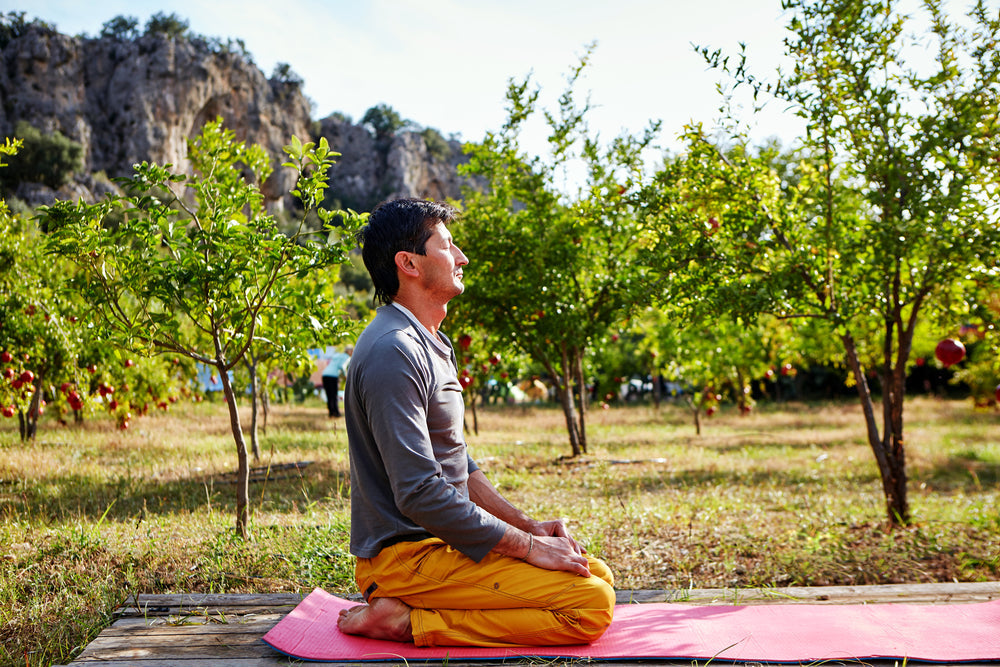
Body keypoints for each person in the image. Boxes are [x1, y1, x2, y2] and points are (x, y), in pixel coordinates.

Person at [337, 198, 615, 648]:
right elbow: (419, 493)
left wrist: (530, 527)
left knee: (594, 571)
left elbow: (458, 465)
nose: (462, 257)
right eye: (448, 246)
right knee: (588, 606)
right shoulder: (394, 350)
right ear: (408, 263)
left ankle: (415, 610)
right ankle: (406, 623)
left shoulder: (428, 342)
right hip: (406, 556)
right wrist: (529, 550)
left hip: (443, 543)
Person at [320, 345, 353, 417]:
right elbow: (342, 366)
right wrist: (346, 376)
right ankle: (336, 413)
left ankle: (331, 413)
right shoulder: (347, 357)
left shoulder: (338, 356)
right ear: (349, 351)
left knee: (329, 395)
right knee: (334, 395)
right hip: (332, 376)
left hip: (325, 374)